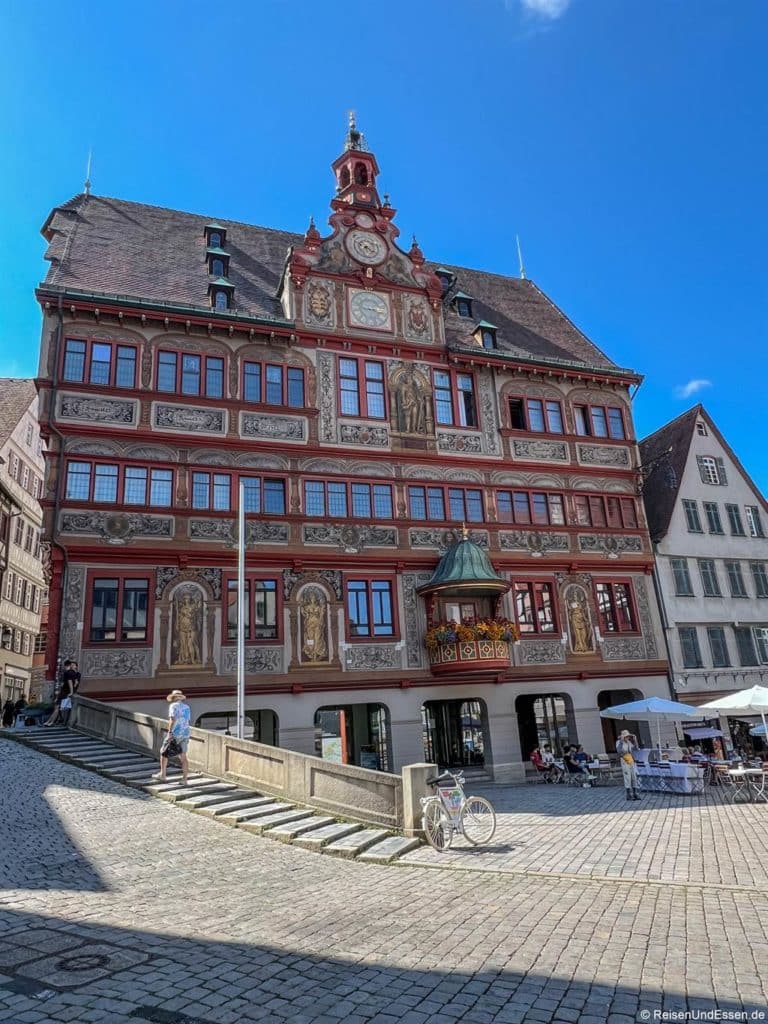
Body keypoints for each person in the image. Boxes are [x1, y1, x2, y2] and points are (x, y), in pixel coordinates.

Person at [152, 689, 191, 785]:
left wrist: (169, 732)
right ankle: (185, 779)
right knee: (183, 756)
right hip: (185, 733)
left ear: (173, 698)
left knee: (163, 752)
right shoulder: (187, 707)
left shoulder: (173, 706)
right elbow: (187, 720)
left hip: (175, 733)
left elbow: (172, 719)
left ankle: (163, 774)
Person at [616, 729, 641, 800]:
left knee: (634, 776)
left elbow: (636, 748)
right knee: (627, 777)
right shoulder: (618, 742)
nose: (628, 738)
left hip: (631, 760)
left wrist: (635, 740)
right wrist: (621, 741)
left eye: (628, 737)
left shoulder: (629, 742)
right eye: (626, 736)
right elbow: (619, 751)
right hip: (624, 760)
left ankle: (635, 793)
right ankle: (629, 794)